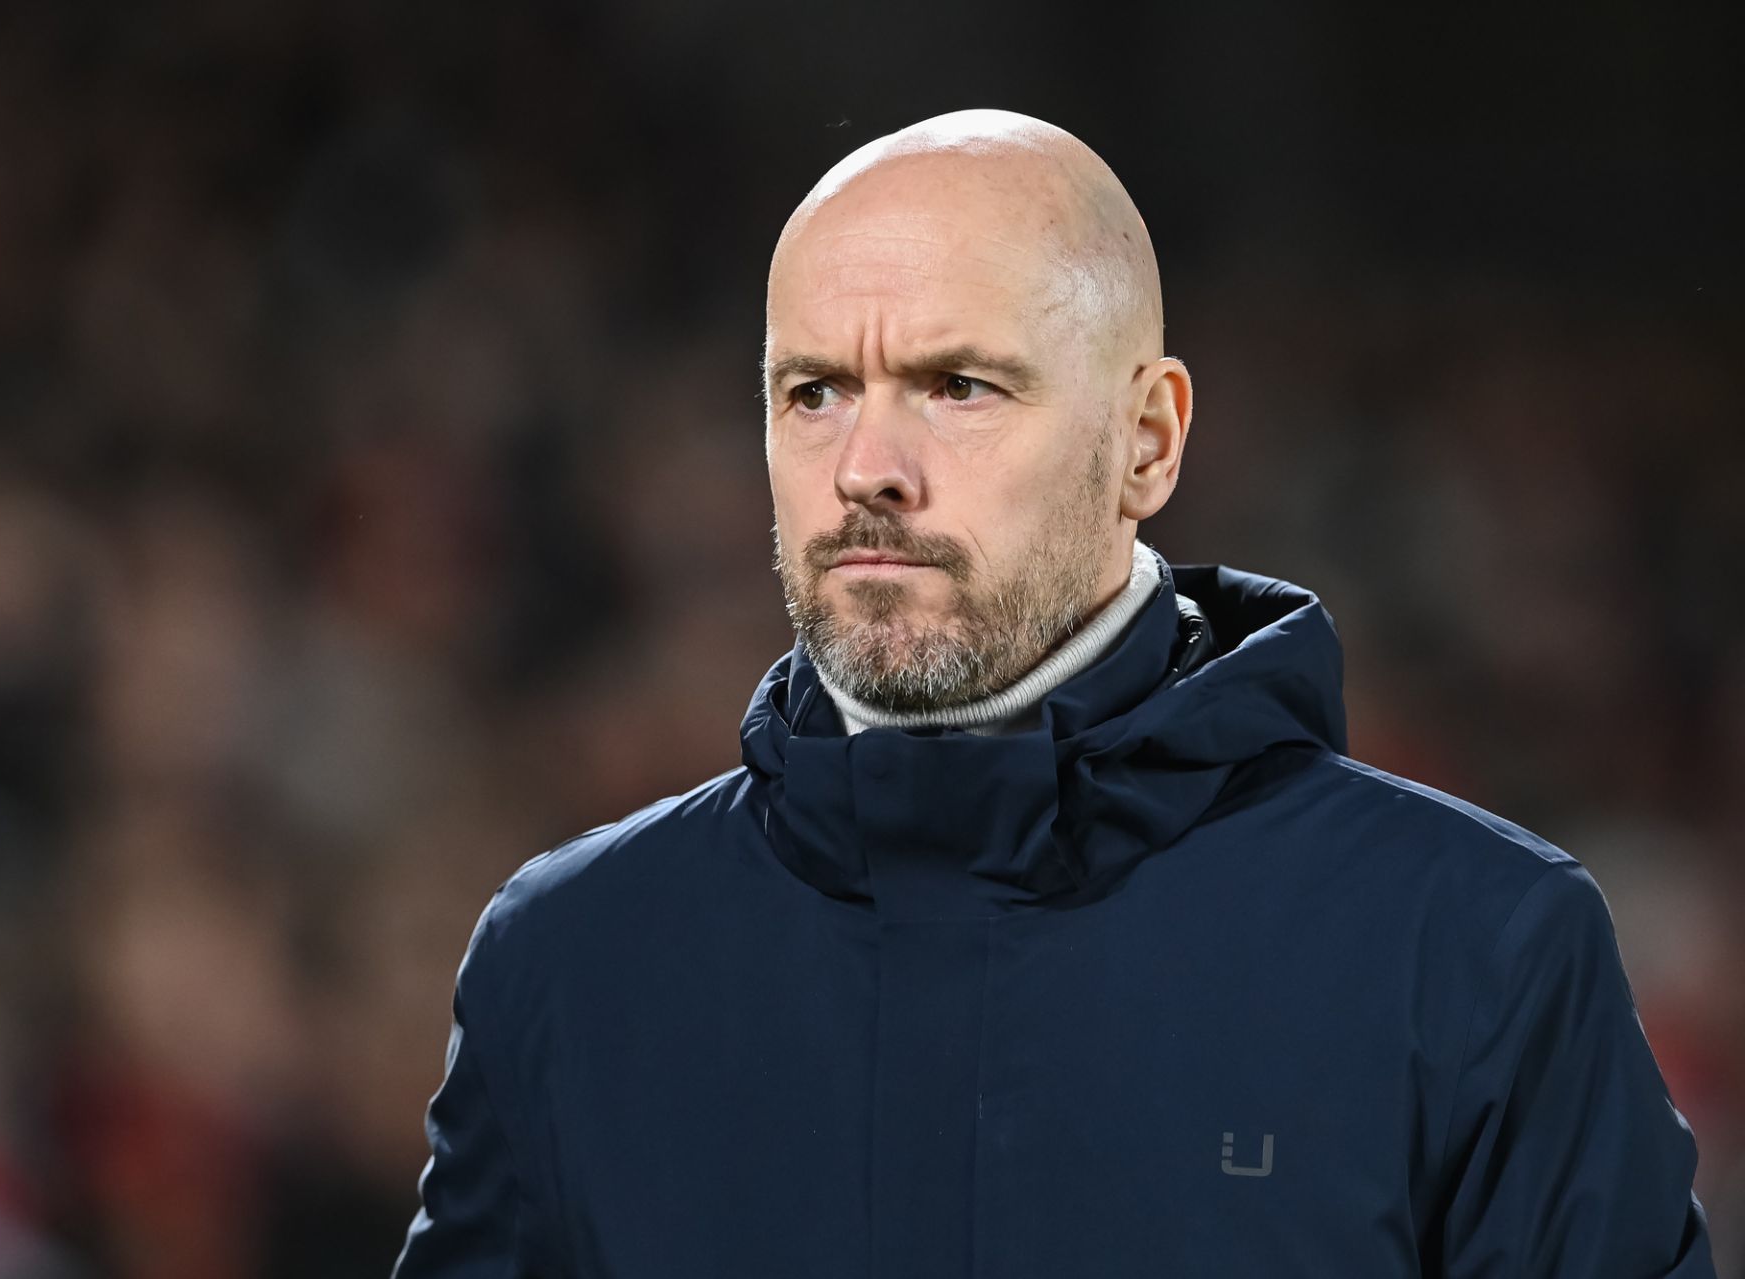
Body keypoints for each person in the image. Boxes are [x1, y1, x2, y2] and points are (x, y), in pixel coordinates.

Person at [391, 110, 1715, 1277]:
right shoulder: (567, 966)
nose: (868, 467)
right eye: (815, 392)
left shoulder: (1475, 950)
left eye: (958, 385)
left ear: (1148, 440)